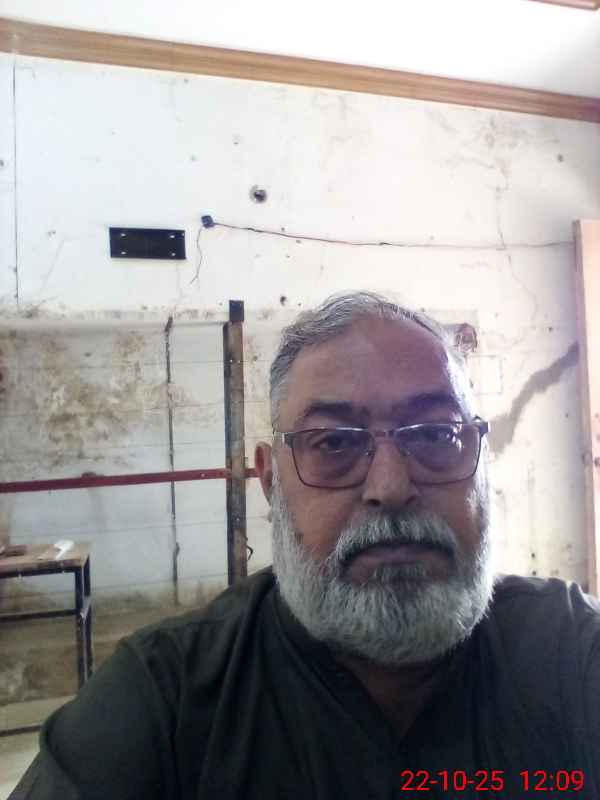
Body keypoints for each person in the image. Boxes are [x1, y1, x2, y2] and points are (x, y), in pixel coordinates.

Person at [11, 291, 600, 800]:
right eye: (334, 443)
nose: (391, 487)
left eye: (437, 434)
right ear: (270, 480)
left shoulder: (568, 655)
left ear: (481, 457)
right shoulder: (165, 701)